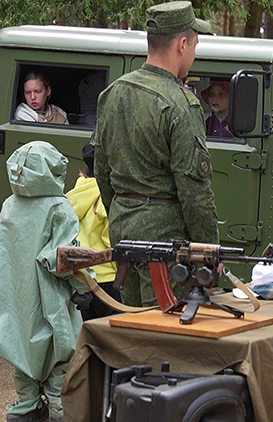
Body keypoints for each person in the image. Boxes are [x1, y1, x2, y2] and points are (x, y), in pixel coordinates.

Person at [92, 1, 219, 307]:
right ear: (182, 43)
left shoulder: (112, 94)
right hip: (165, 239)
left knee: (132, 324)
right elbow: (195, 193)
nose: (194, 54)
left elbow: (101, 171)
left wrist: (125, 213)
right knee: (169, 330)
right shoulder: (180, 104)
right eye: (195, 45)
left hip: (124, 225)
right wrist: (210, 251)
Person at [0, 141, 93, 422]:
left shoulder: (10, 205)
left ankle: (26, 408)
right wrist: (85, 287)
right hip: (50, 299)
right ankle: (60, 412)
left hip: (13, 298)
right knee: (60, 362)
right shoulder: (58, 207)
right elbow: (66, 258)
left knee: (22, 355)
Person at [65, 142, 122, 320]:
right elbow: (111, 239)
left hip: (81, 278)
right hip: (108, 280)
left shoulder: (76, 191)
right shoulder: (106, 197)